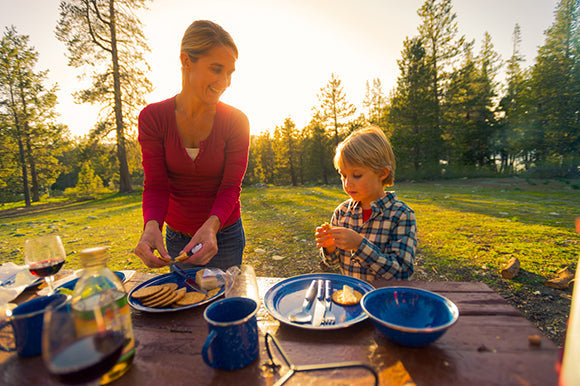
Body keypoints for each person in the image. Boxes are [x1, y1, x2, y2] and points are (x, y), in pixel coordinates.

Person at [134, 20, 250, 271]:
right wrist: (151, 225)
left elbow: (231, 186)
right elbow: (156, 184)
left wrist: (211, 227)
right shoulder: (152, 118)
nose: (225, 81)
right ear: (186, 61)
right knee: (184, 303)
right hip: (177, 238)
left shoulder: (236, 121)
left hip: (225, 234)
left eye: (229, 72)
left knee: (224, 305)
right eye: (216, 69)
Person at [314, 126, 417, 281]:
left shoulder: (401, 215)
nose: (348, 183)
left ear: (382, 173)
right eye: (343, 175)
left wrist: (359, 245)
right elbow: (332, 263)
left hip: (384, 300)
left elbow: (401, 273)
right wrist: (329, 247)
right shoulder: (342, 213)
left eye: (357, 175)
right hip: (351, 297)